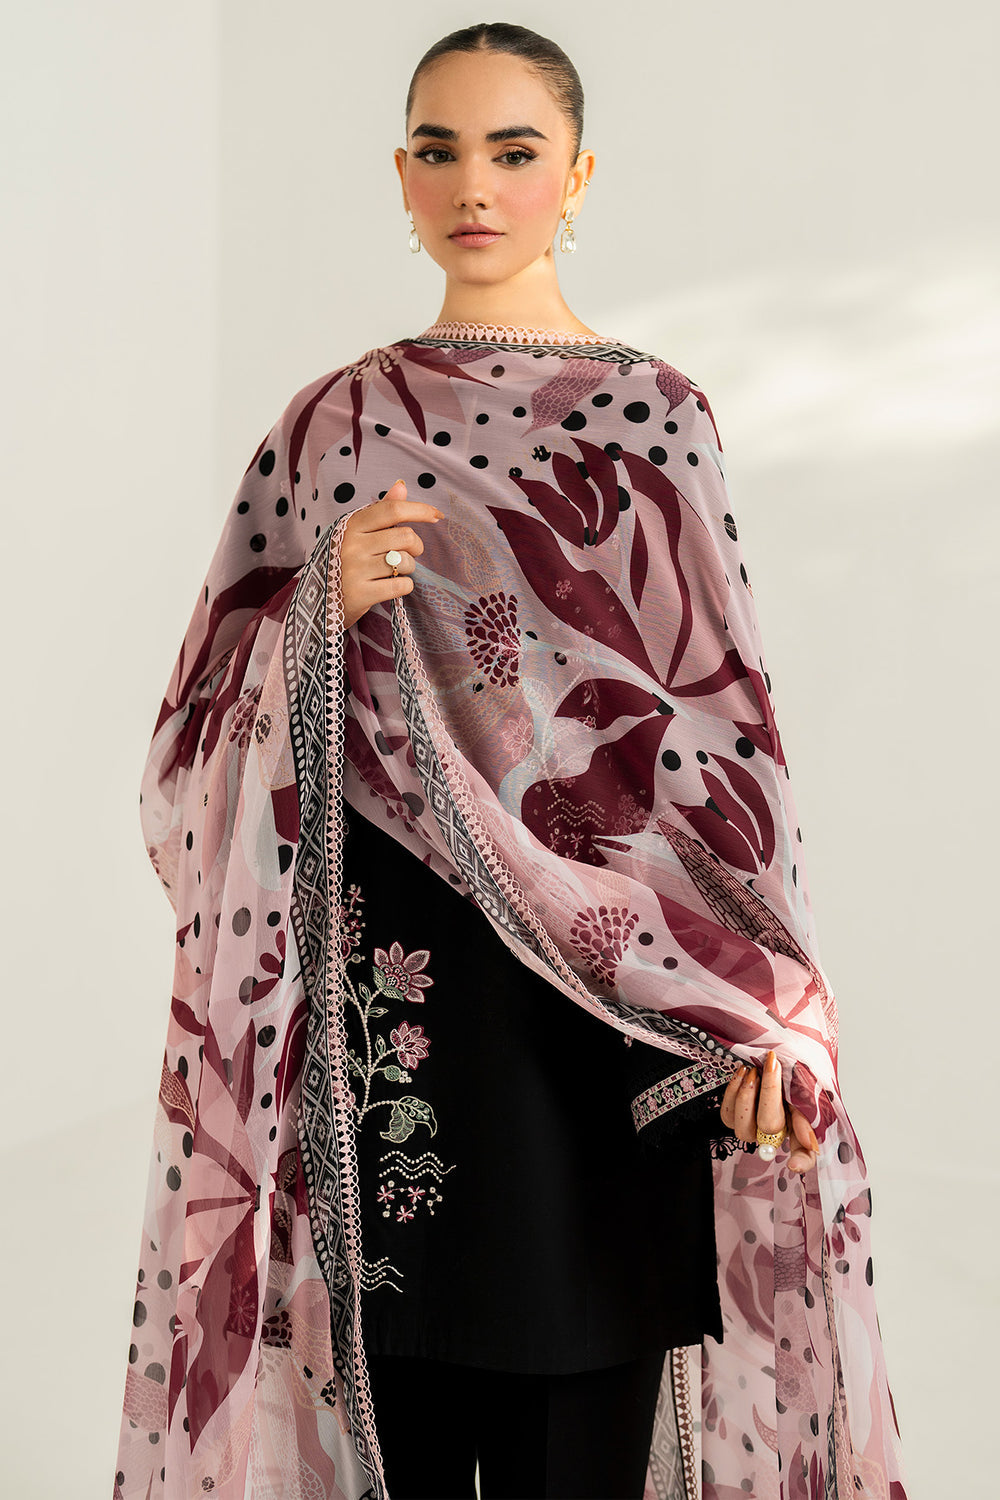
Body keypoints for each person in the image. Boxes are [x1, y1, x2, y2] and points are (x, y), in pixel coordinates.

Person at [115, 21, 907, 1500]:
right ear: (400, 175)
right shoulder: (335, 426)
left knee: (581, 1433)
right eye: (440, 150)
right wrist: (315, 614)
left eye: (514, 150)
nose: (473, 185)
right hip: (399, 1019)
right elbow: (189, 739)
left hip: (608, 1022)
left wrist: (765, 1007)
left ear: (578, 175)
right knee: (401, 1425)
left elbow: (725, 737)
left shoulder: (657, 418)